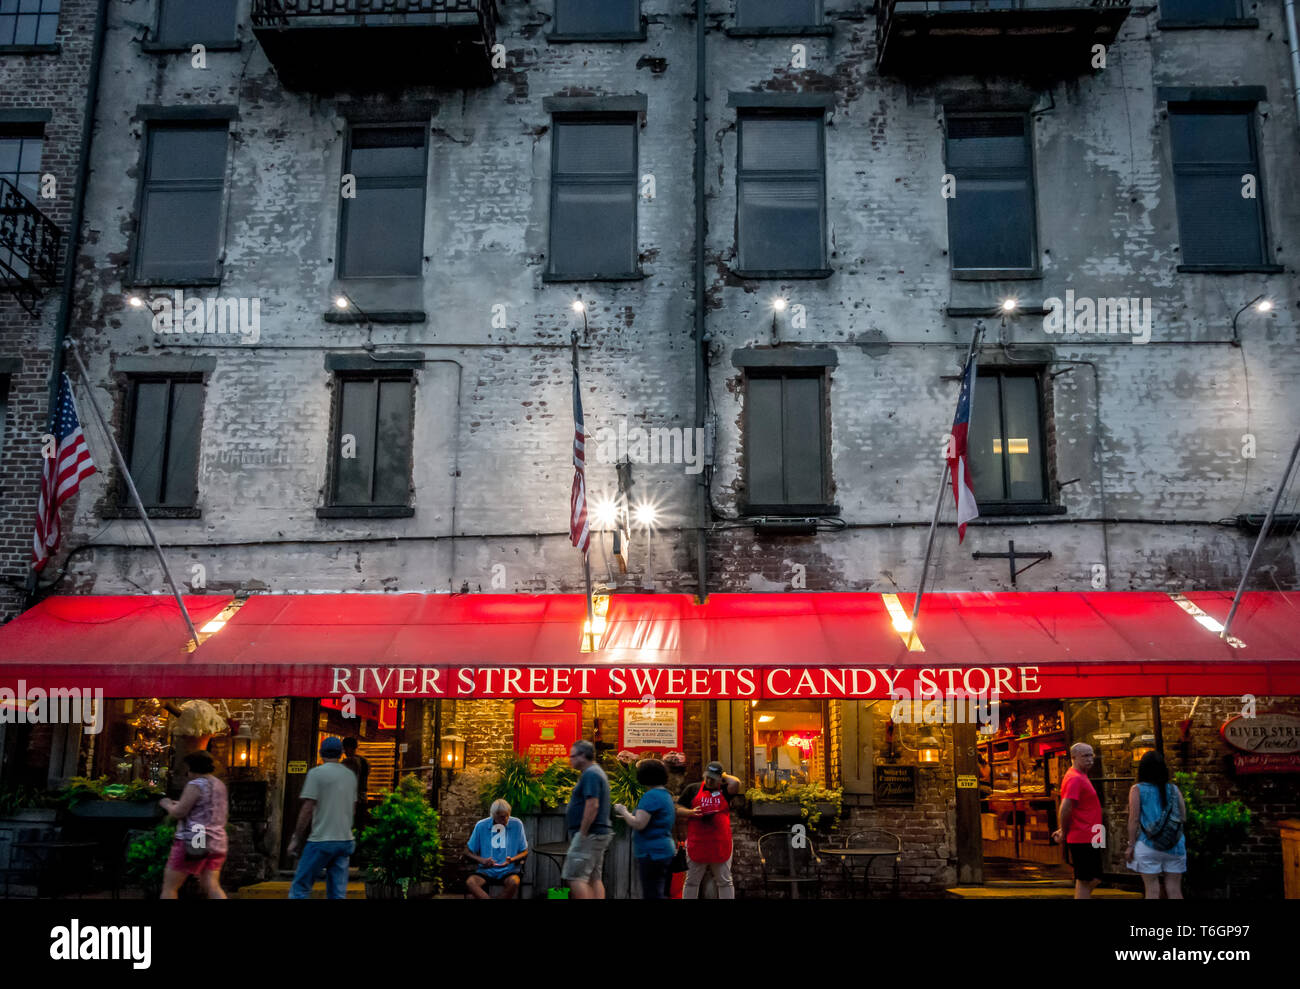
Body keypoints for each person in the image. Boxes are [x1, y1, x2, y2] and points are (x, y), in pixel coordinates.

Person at [287, 736, 357, 899]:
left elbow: (307, 808)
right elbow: (353, 809)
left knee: (300, 888)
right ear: (341, 753)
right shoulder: (350, 776)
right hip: (344, 840)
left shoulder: (316, 773)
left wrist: (296, 838)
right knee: (337, 893)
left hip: (321, 840)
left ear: (321, 753)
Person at [159, 750, 228, 899]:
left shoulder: (196, 784)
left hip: (196, 837)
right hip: (217, 840)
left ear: (191, 768)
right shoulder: (219, 784)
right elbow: (206, 808)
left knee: (170, 887)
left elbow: (179, 812)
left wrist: (166, 804)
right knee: (212, 886)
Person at [1125, 751, 1187, 899]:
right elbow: (1183, 817)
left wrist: (1131, 845)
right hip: (1175, 845)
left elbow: (1133, 820)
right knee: (1175, 890)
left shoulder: (1137, 789)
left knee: (1152, 891)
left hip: (1148, 844)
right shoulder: (1174, 789)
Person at [676, 760, 741, 899]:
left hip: (720, 842)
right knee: (692, 881)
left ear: (720, 779)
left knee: (725, 881)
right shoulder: (692, 789)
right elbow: (677, 809)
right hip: (697, 841)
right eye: (708, 777)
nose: (710, 780)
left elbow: (736, 783)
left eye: (713, 778)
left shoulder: (725, 790)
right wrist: (691, 812)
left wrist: (722, 773)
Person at [614, 758, 677, 899]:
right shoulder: (665, 794)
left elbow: (639, 823)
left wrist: (623, 810)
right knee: (660, 892)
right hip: (663, 851)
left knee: (652, 893)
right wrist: (629, 817)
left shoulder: (651, 796)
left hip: (652, 853)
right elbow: (651, 820)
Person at [562, 739, 613, 899]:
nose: (570, 760)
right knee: (593, 877)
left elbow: (592, 805)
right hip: (598, 832)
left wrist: (582, 833)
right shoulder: (596, 772)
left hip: (589, 833)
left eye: (573, 756)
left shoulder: (591, 774)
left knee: (574, 876)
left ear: (583, 755)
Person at [1052, 742, 1104, 899]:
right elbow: (1065, 807)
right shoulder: (1074, 778)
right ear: (1073, 758)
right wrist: (1064, 831)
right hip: (1082, 836)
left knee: (1093, 878)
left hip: (1091, 834)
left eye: (1091, 755)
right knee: (1085, 879)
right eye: (1085, 756)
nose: (1090, 759)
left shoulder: (1082, 776)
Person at [466, 799, 530, 899]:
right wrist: (482, 860)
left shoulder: (517, 824)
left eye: (507, 815)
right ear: (493, 815)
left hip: (508, 870)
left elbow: (525, 851)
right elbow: (467, 852)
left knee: (514, 882)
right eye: (502, 817)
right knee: (471, 882)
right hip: (486, 870)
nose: (505, 819)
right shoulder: (481, 825)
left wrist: (511, 860)